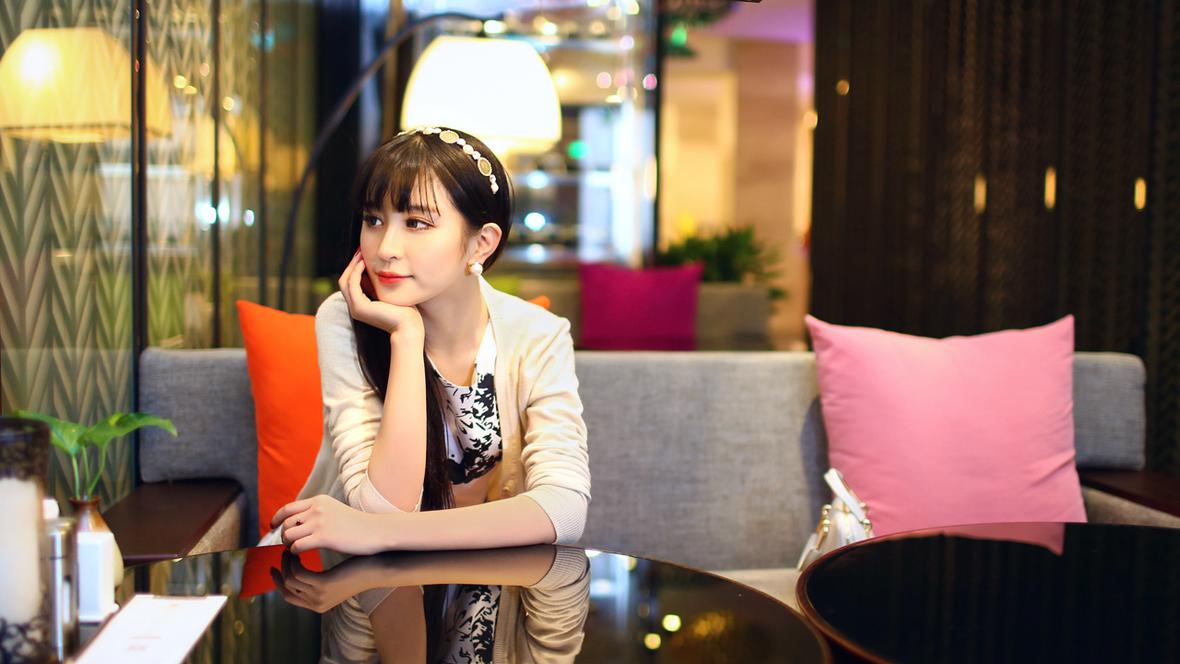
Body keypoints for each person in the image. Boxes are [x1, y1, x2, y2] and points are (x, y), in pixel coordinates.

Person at [264, 126, 591, 556]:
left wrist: (384, 532)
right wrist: (405, 335)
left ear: (481, 244)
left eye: (416, 223)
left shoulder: (539, 335)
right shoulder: (345, 318)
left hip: (479, 574)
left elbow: (565, 509)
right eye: (373, 220)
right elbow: (381, 507)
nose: (386, 247)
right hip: (343, 574)